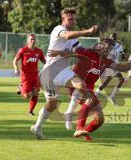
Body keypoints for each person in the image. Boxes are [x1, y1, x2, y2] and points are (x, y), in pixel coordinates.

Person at [30, 7, 98, 140]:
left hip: (63, 70)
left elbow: (79, 51)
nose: (73, 21)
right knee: (52, 104)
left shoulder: (73, 38)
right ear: (63, 19)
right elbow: (67, 36)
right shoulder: (58, 29)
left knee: (82, 85)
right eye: (70, 19)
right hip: (49, 72)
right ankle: (37, 127)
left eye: (74, 19)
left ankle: (72, 111)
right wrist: (88, 31)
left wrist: (95, 50)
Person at [58, 38, 131, 140]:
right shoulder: (89, 53)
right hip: (77, 86)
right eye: (107, 48)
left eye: (110, 49)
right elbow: (74, 53)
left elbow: (121, 68)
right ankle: (78, 126)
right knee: (90, 100)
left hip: (89, 90)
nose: (109, 51)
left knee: (100, 119)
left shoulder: (107, 61)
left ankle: (84, 133)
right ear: (100, 46)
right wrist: (58, 53)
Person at [13, 34, 46, 116]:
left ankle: (30, 111)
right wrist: (16, 69)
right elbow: (15, 60)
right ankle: (21, 87)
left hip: (35, 76)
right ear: (28, 40)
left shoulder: (39, 51)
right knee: (27, 96)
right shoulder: (23, 50)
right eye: (31, 39)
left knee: (35, 93)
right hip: (25, 76)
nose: (33, 41)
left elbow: (45, 62)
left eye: (34, 39)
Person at [95, 33, 125, 105]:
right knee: (112, 80)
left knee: (115, 80)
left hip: (114, 65)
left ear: (115, 39)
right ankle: (108, 96)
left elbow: (122, 55)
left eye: (113, 38)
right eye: (111, 37)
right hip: (108, 65)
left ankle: (98, 94)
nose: (111, 39)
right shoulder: (106, 45)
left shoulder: (119, 46)